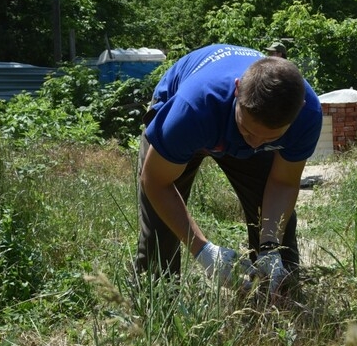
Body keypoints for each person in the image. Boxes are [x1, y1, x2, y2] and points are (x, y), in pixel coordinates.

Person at [135, 44, 322, 302]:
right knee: (160, 229)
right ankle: (156, 312)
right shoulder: (193, 109)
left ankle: (279, 303)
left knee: (280, 230)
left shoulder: (308, 115)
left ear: (299, 110)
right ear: (237, 90)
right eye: (248, 131)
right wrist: (203, 250)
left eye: (270, 138)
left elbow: (282, 182)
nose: (255, 144)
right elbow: (156, 181)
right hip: (200, 121)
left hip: (222, 123)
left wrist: (269, 246)